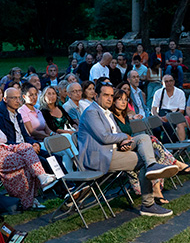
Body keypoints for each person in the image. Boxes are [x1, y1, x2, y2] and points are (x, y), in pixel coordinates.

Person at [77, 82, 180, 217]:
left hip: (114, 150)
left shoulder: (107, 113)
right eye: (106, 95)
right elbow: (104, 137)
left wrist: (123, 142)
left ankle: (152, 165)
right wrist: (124, 137)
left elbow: (116, 133)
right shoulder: (91, 112)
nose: (109, 99)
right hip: (100, 157)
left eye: (111, 96)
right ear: (96, 96)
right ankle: (148, 204)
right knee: (143, 161)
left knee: (144, 137)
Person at [0, 90, 52, 211]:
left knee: (26, 147)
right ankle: (29, 198)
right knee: (28, 161)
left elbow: (3, 137)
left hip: (2, 149)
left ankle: (41, 177)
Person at [110, 88, 190, 204]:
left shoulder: (125, 117)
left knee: (152, 152)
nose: (124, 102)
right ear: (113, 101)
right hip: (122, 150)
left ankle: (157, 189)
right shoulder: (111, 117)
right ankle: (175, 164)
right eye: (120, 99)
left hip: (131, 146)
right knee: (151, 142)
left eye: (125, 99)